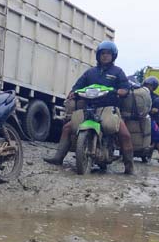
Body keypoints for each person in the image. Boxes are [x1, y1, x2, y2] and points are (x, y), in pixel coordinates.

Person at [44, 40, 135, 174]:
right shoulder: (90, 72)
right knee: (67, 128)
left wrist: (120, 91)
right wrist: (72, 93)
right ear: (98, 55)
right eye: (102, 53)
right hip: (89, 108)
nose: (105, 56)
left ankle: (129, 167)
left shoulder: (118, 72)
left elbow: (125, 88)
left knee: (125, 135)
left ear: (113, 56)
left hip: (109, 109)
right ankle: (58, 158)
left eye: (108, 53)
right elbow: (77, 87)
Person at [143, 76, 159, 166]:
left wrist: (146, 111)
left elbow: (155, 110)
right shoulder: (138, 94)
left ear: (154, 87)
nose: (147, 87)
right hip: (135, 118)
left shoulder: (157, 99)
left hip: (149, 119)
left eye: (149, 85)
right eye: (146, 85)